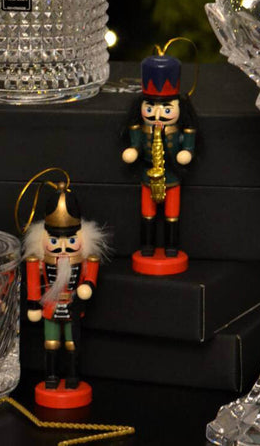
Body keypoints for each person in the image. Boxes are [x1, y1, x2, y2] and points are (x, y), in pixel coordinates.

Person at [24, 182, 106, 399]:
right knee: (50, 343)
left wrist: (87, 286)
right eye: (54, 240)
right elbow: (33, 281)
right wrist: (33, 304)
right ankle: (50, 376)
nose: (62, 247)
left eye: (70, 240)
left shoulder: (87, 259)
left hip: (72, 306)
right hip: (50, 306)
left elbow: (91, 276)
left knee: (72, 344)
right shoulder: (38, 261)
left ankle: (72, 376)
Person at [122, 52, 196, 262]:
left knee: (172, 214)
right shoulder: (141, 128)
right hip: (148, 176)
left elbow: (188, 147)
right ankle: (147, 246)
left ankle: (172, 246)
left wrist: (186, 153)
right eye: (150, 108)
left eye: (166, 109)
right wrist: (133, 151)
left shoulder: (180, 130)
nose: (157, 115)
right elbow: (135, 146)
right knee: (147, 214)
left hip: (171, 176)